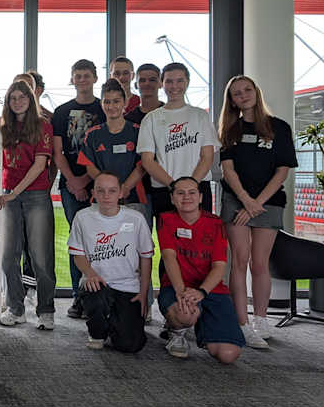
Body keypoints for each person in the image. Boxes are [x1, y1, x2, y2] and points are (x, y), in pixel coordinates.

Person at [218, 75, 297, 349]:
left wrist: (256, 204)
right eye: (236, 93)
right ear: (232, 101)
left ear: (256, 92)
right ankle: (241, 323)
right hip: (236, 201)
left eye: (247, 90)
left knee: (260, 263)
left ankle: (260, 320)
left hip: (268, 202)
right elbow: (228, 170)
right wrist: (245, 201)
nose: (243, 96)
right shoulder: (229, 130)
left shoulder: (279, 128)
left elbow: (282, 170)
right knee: (239, 261)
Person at [157, 177, 244, 363]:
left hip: (210, 290)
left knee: (227, 355)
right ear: (172, 198)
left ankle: (204, 326)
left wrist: (202, 292)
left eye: (192, 192)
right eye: (180, 193)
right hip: (177, 288)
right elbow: (169, 257)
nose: (186, 197)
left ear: (201, 197)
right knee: (186, 314)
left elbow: (219, 266)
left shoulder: (215, 223)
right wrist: (181, 291)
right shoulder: (166, 219)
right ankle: (177, 332)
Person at [68, 173, 153, 351]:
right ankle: (97, 332)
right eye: (101, 191)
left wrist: (144, 293)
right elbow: (78, 254)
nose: (106, 196)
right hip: (98, 283)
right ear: (93, 193)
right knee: (96, 298)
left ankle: (115, 323)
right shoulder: (82, 217)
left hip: (128, 286)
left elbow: (146, 257)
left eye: (112, 191)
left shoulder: (136, 219)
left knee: (131, 345)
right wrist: (90, 274)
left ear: (121, 193)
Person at [0, 80, 56, 331]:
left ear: (31, 100)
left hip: (35, 195)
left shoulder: (42, 126)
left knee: (41, 257)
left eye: (22, 97)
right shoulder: (3, 128)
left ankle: (45, 310)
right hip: (9, 196)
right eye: (13, 98)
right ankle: (16, 309)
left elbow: (39, 166)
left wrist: (14, 193)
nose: (17, 101)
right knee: (8, 257)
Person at [51, 59, 104, 319]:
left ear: (95, 78)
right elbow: (58, 152)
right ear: (72, 80)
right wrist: (73, 181)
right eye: (77, 76)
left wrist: (86, 180)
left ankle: (100, 295)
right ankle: (78, 296)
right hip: (70, 185)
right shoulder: (61, 112)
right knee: (77, 242)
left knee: (100, 242)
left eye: (86, 75)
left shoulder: (103, 109)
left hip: (99, 187)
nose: (82, 80)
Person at [136, 62, 218, 224]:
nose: (174, 86)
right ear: (161, 83)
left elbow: (207, 156)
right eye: (169, 81)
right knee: (169, 245)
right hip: (165, 190)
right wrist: (174, 187)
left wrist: (191, 187)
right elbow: (147, 161)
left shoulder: (200, 116)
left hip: (199, 188)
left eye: (179, 81)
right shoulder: (151, 118)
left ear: (187, 82)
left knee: (201, 244)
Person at [78, 79, 150, 228]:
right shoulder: (92, 135)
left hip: (133, 198)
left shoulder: (138, 131)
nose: (111, 106)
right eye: (107, 102)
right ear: (101, 104)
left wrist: (124, 189)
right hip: (102, 200)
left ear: (125, 102)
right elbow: (89, 166)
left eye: (116, 101)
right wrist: (109, 190)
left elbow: (143, 165)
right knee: (104, 246)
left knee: (137, 247)